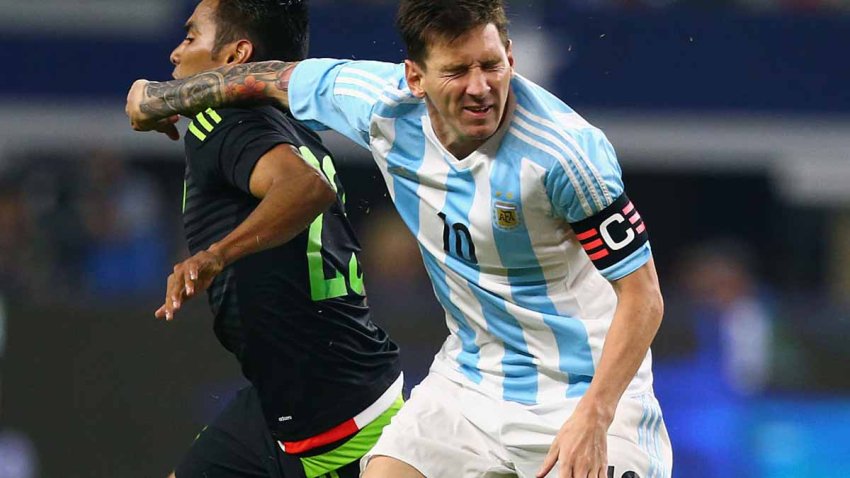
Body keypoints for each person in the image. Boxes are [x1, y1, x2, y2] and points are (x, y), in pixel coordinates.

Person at [126, 1, 671, 477]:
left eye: (492, 64)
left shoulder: (565, 155)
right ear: (415, 78)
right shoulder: (375, 101)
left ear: (511, 54)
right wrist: (164, 99)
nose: (481, 87)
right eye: (457, 71)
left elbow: (643, 295)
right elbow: (264, 77)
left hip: (586, 389)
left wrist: (595, 416)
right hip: (472, 382)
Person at [137, 1, 403, 477]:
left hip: (334, 416)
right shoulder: (289, 123)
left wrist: (217, 255)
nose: (177, 53)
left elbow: (306, 189)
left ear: (235, 56)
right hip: (280, 402)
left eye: (192, 36)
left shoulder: (222, 123)